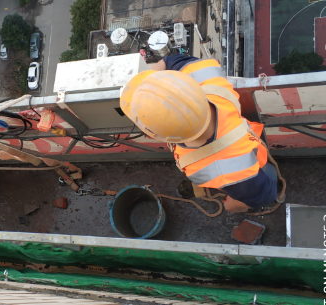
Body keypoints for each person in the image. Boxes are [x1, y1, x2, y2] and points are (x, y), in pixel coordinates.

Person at [119, 54, 278, 213]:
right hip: (244, 143)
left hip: (256, 167)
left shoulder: (224, 172)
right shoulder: (206, 75)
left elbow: (266, 195)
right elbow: (170, 60)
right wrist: (155, 88)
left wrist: (235, 206)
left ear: (156, 136)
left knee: (247, 194)